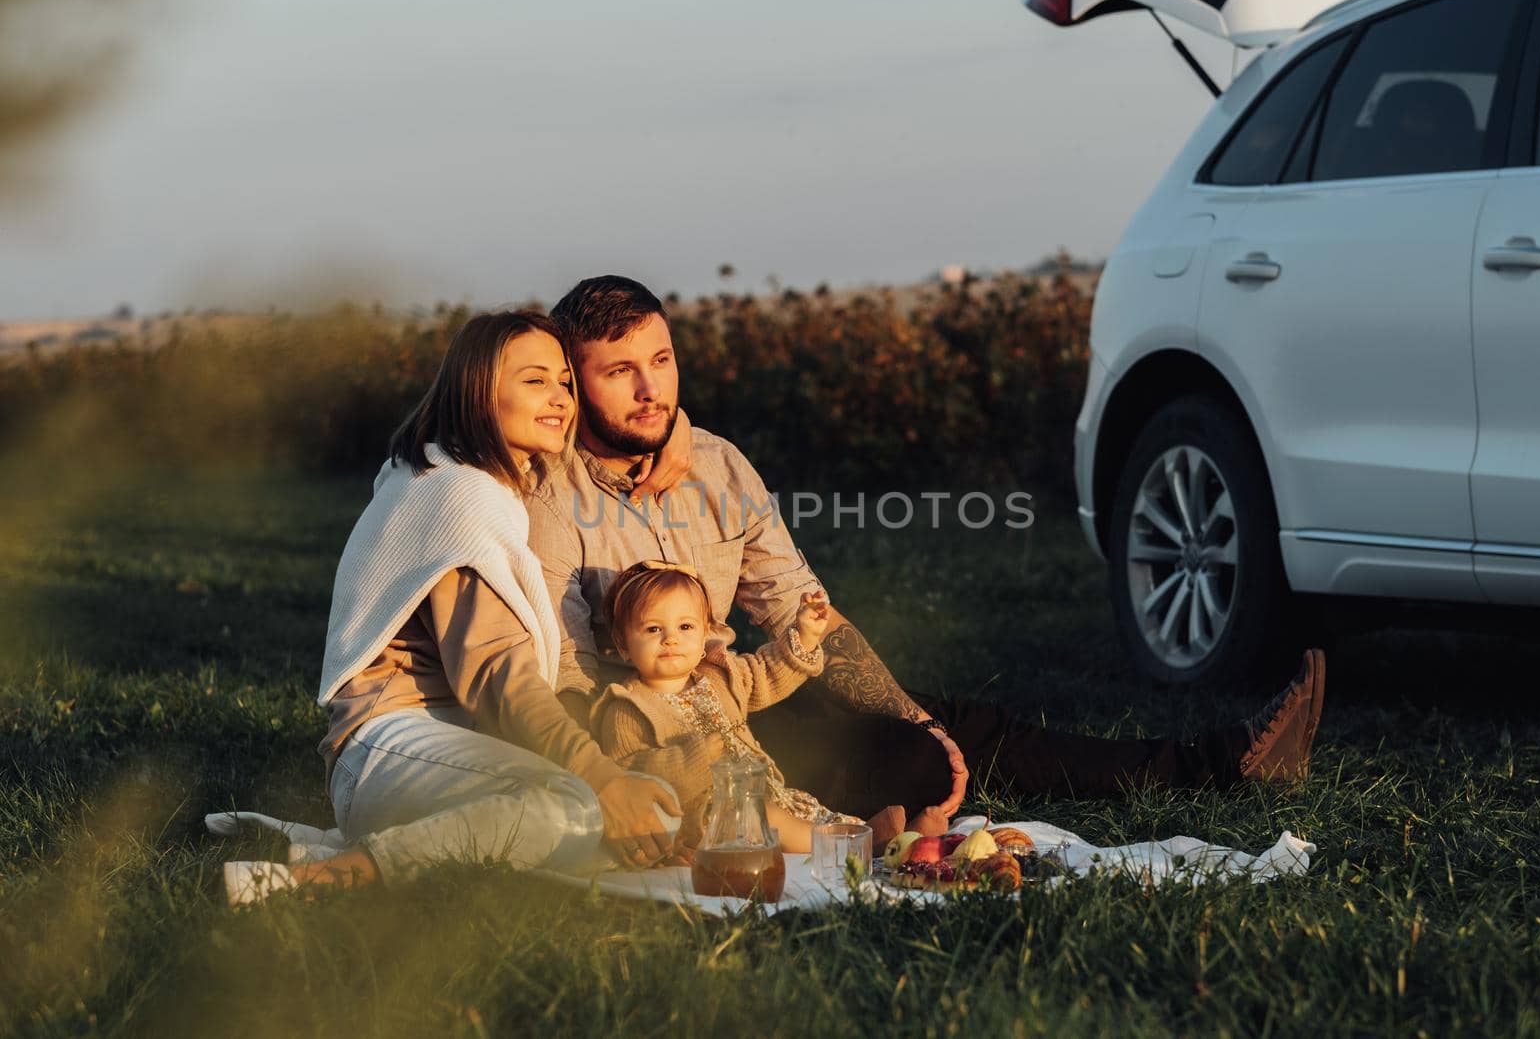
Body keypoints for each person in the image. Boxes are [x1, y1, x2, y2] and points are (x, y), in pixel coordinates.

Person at [525, 275, 1327, 866]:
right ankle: (880, 802)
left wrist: (912, 712)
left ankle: (1218, 759)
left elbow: (809, 616)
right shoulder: (551, 494)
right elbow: (565, 678)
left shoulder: (719, 465)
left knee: (953, 724)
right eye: (617, 370)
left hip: (756, 680)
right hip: (674, 730)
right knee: (902, 758)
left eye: (660, 359)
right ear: (573, 382)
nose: (649, 387)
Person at [224, 311, 685, 904]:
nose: (561, 399)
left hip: (448, 751)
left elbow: (614, 439)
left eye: (566, 383)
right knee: (577, 808)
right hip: (386, 747)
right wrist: (600, 776)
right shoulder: (461, 497)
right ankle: (312, 883)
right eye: (535, 380)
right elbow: (500, 675)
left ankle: (383, 848)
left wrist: (672, 430)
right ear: (478, 392)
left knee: (640, 818)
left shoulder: (459, 474)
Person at [591, 560, 949, 854]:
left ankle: (889, 841)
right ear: (623, 645)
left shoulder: (719, 677)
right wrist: (699, 755)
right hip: (704, 819)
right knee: (768, 816)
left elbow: (767, 671)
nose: (670, 638)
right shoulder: (627, 707)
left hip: (765, 793)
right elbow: (633, 774)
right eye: (653, 629)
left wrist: (804, 636)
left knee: (807, 810)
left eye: (685, 626)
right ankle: (856, 848)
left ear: (703, 639)